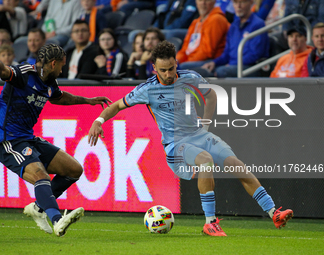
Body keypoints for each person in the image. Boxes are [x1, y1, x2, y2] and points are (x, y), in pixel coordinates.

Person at [87, 41, 293, 236]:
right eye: (163, 70)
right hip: (175, 145)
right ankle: (210, 222)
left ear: (176, 63)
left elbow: (211, 95)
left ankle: (273, 212)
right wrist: (99, 120)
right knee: (205, 160)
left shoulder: (191, 78)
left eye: (171, 68)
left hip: (199, 135)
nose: (168, 74)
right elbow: (117, 105)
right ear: (154, 68)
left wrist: (206, 124)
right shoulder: (147, 89)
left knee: (236, 165)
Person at [0, 43, 112, 236]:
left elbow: (59, 98)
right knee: (40, 176)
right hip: (7, 139)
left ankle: (37, 208)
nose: (63, 69)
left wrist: (87, 100)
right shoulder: (25, 73)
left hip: (27, 137)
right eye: (62, 65)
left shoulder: (49, 82)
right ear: (53, 63)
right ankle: (57, 220)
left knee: (74, 170)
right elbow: (5, 72)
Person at [194, 0, 269, 77]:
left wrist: (231, 64)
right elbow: (226, 54)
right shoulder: (233, 26)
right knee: (198, 68)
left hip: (250, 67)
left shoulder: (258, 24)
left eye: (242, 2)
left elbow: (255, 55)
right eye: (235, 2)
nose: (238, 6)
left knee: (221, 71)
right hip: (231, 65)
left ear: (250, 3)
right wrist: (214, 63)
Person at [176, 0, 229, 70]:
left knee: (182, 68)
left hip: (210, 61)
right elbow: (185, 49)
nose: (203, 3)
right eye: (200, 0)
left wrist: (186, 61)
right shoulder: (195, 22)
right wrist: (176, 61)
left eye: (206, 0)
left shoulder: (216, 19)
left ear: (214, 1)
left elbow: (207, 52)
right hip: (191, 60)